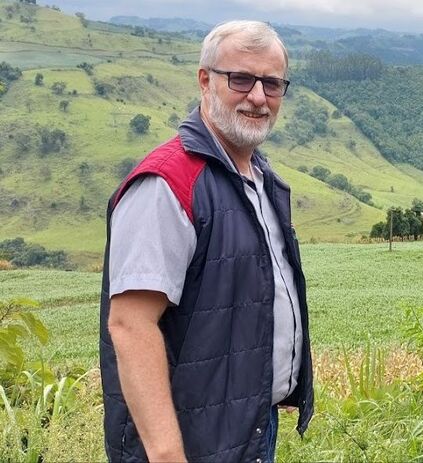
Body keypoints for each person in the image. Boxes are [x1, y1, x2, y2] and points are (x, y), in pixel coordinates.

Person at [99, 20, 313, 462]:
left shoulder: (258, 177)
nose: (258, 96)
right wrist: (166, 454)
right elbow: (130, 324)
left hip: (245, 427)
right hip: (189, 444)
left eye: (271, 84)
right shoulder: (169, 182)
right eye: (241, 79)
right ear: (204, 80)